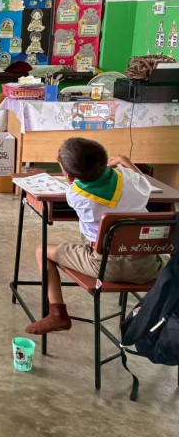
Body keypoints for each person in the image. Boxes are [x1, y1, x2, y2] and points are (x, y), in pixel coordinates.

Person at [25, 138, 166, 335]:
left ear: (69, 176)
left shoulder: (75, 195)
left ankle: (57, 314)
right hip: (147, 266)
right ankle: (158, 309)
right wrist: (124, 161)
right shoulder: (130, 179)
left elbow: (80, 187)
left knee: (42, 251)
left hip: (104, 266)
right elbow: (143, 182)